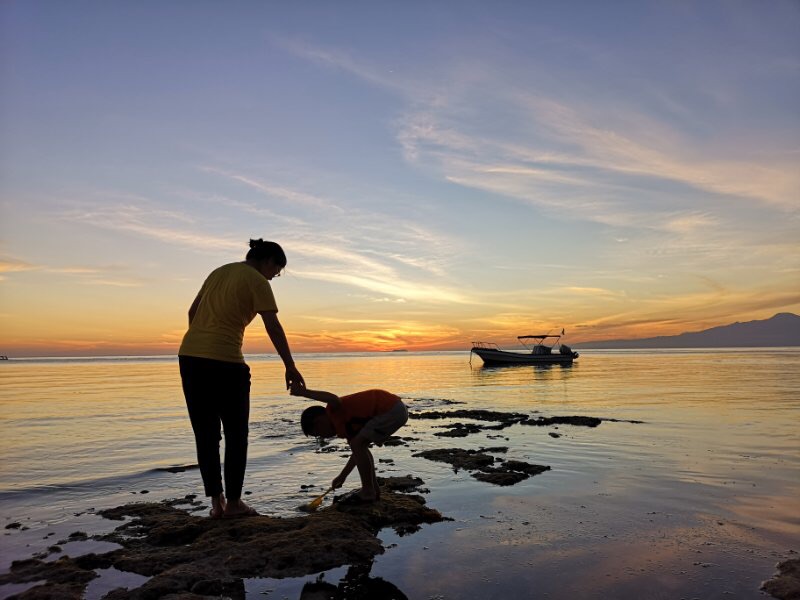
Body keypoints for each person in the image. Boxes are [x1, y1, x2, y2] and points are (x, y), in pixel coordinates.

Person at [178, 239, 305, 518]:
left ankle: (217, 504)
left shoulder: (219, 271)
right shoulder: (258, 281)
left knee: (206, 435)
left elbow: (192, 312)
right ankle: (234, 504)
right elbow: (273, 325)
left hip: (189, 358)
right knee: (236, 435)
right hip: (225, 363)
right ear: (268, 260)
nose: (275, 276)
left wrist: (202, 344)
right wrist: (290, 366)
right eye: (277, 270)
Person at [293, 383, 408, 504]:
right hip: (395, 410)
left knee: (358, 444)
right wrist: (342, 476)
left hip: (390, 409)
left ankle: (368, 491)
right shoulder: (346, 429)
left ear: (318, 421)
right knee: (359, 445)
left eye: (318, 434)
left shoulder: (333, 410)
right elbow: (357, 455)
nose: (322, 437)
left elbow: (333, 398)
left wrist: (304, 392)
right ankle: (373, 490)